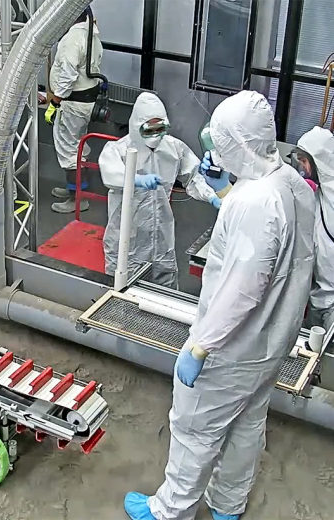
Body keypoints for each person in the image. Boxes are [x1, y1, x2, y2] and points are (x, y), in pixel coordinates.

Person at [124, 91, 315, 520]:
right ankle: (227, 505)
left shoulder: (254, 203)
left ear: (237, 143)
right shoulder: (290, 184)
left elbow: (244, 287)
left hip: (231, 346)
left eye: (222, 140)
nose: (215, 146)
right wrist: (225, 191)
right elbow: (276, 245)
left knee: (195, 428)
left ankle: (169, 510)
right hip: (272, 342)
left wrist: (200, 347)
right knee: (247, 424)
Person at [98, 92, 220, 288]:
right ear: (137, 125)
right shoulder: (117, 150)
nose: (156, 134)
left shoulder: (173, 148)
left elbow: (194, 177)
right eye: (149, 129)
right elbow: (111, 175)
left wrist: (212, 196)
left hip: (162, 235)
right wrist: (135, 179)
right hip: (126, 239)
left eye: (160, 128)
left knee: (165, 285)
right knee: (123, 288)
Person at [46, 7, 102, 214]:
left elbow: (68, 75)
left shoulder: (72, 39)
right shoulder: (91, 36)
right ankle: (76, 190)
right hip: (86, 102)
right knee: (78, 146)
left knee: (69, 150)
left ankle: (77, 199)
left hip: (72, 104)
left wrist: (54, 102)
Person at [294, 127, 334, 329]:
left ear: (319, 161)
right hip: (319, 296)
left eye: (303, 161)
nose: (302, 168)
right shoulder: (322, 194)